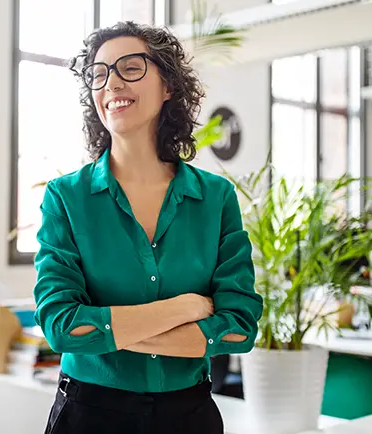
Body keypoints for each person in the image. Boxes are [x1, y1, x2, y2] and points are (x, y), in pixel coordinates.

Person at [33, 21, 263, 434]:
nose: (111, 84)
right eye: (99, 74)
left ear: (169, 85)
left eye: (130, 67)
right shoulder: (66, 198)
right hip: (90, 414)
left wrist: (110, 333)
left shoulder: (216, 198)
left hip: (188, 416)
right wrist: (182, 310)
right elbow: (62, 326)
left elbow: (238, 328)